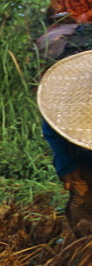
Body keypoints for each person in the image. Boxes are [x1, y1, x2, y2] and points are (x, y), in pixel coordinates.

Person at [37, 50, 92, 227]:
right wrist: (64, 162)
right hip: (84, 166)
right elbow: (52, 128)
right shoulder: (69, 104)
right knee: (84, 219)